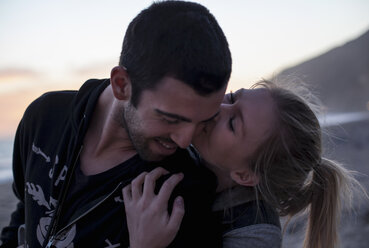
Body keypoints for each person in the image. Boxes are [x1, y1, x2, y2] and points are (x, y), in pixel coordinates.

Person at [0, 1, 232, 247]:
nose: (185, 140)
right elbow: (23, 213)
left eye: (202, 122)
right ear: (122, 84)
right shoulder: (44, 117)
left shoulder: (181, 191)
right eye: (171, 119)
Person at [123, 79, 365, 248]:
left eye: (232, 124)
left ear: (245, 175)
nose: (218, 108)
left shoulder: (255, 234)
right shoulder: (178, 150)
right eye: (231, 97)